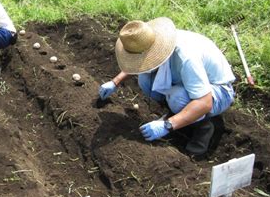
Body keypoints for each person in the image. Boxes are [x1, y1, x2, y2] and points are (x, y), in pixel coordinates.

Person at [99, 17, 235, 155]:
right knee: (145, 79)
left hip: (217, 91)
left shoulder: (186, 57)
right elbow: (139, 65)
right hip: (189, 81)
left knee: (177, 96)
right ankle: (179, 113)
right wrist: (115, 82)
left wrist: (167, 125)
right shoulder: (155, 42)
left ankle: (203, 127)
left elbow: (205, 102)